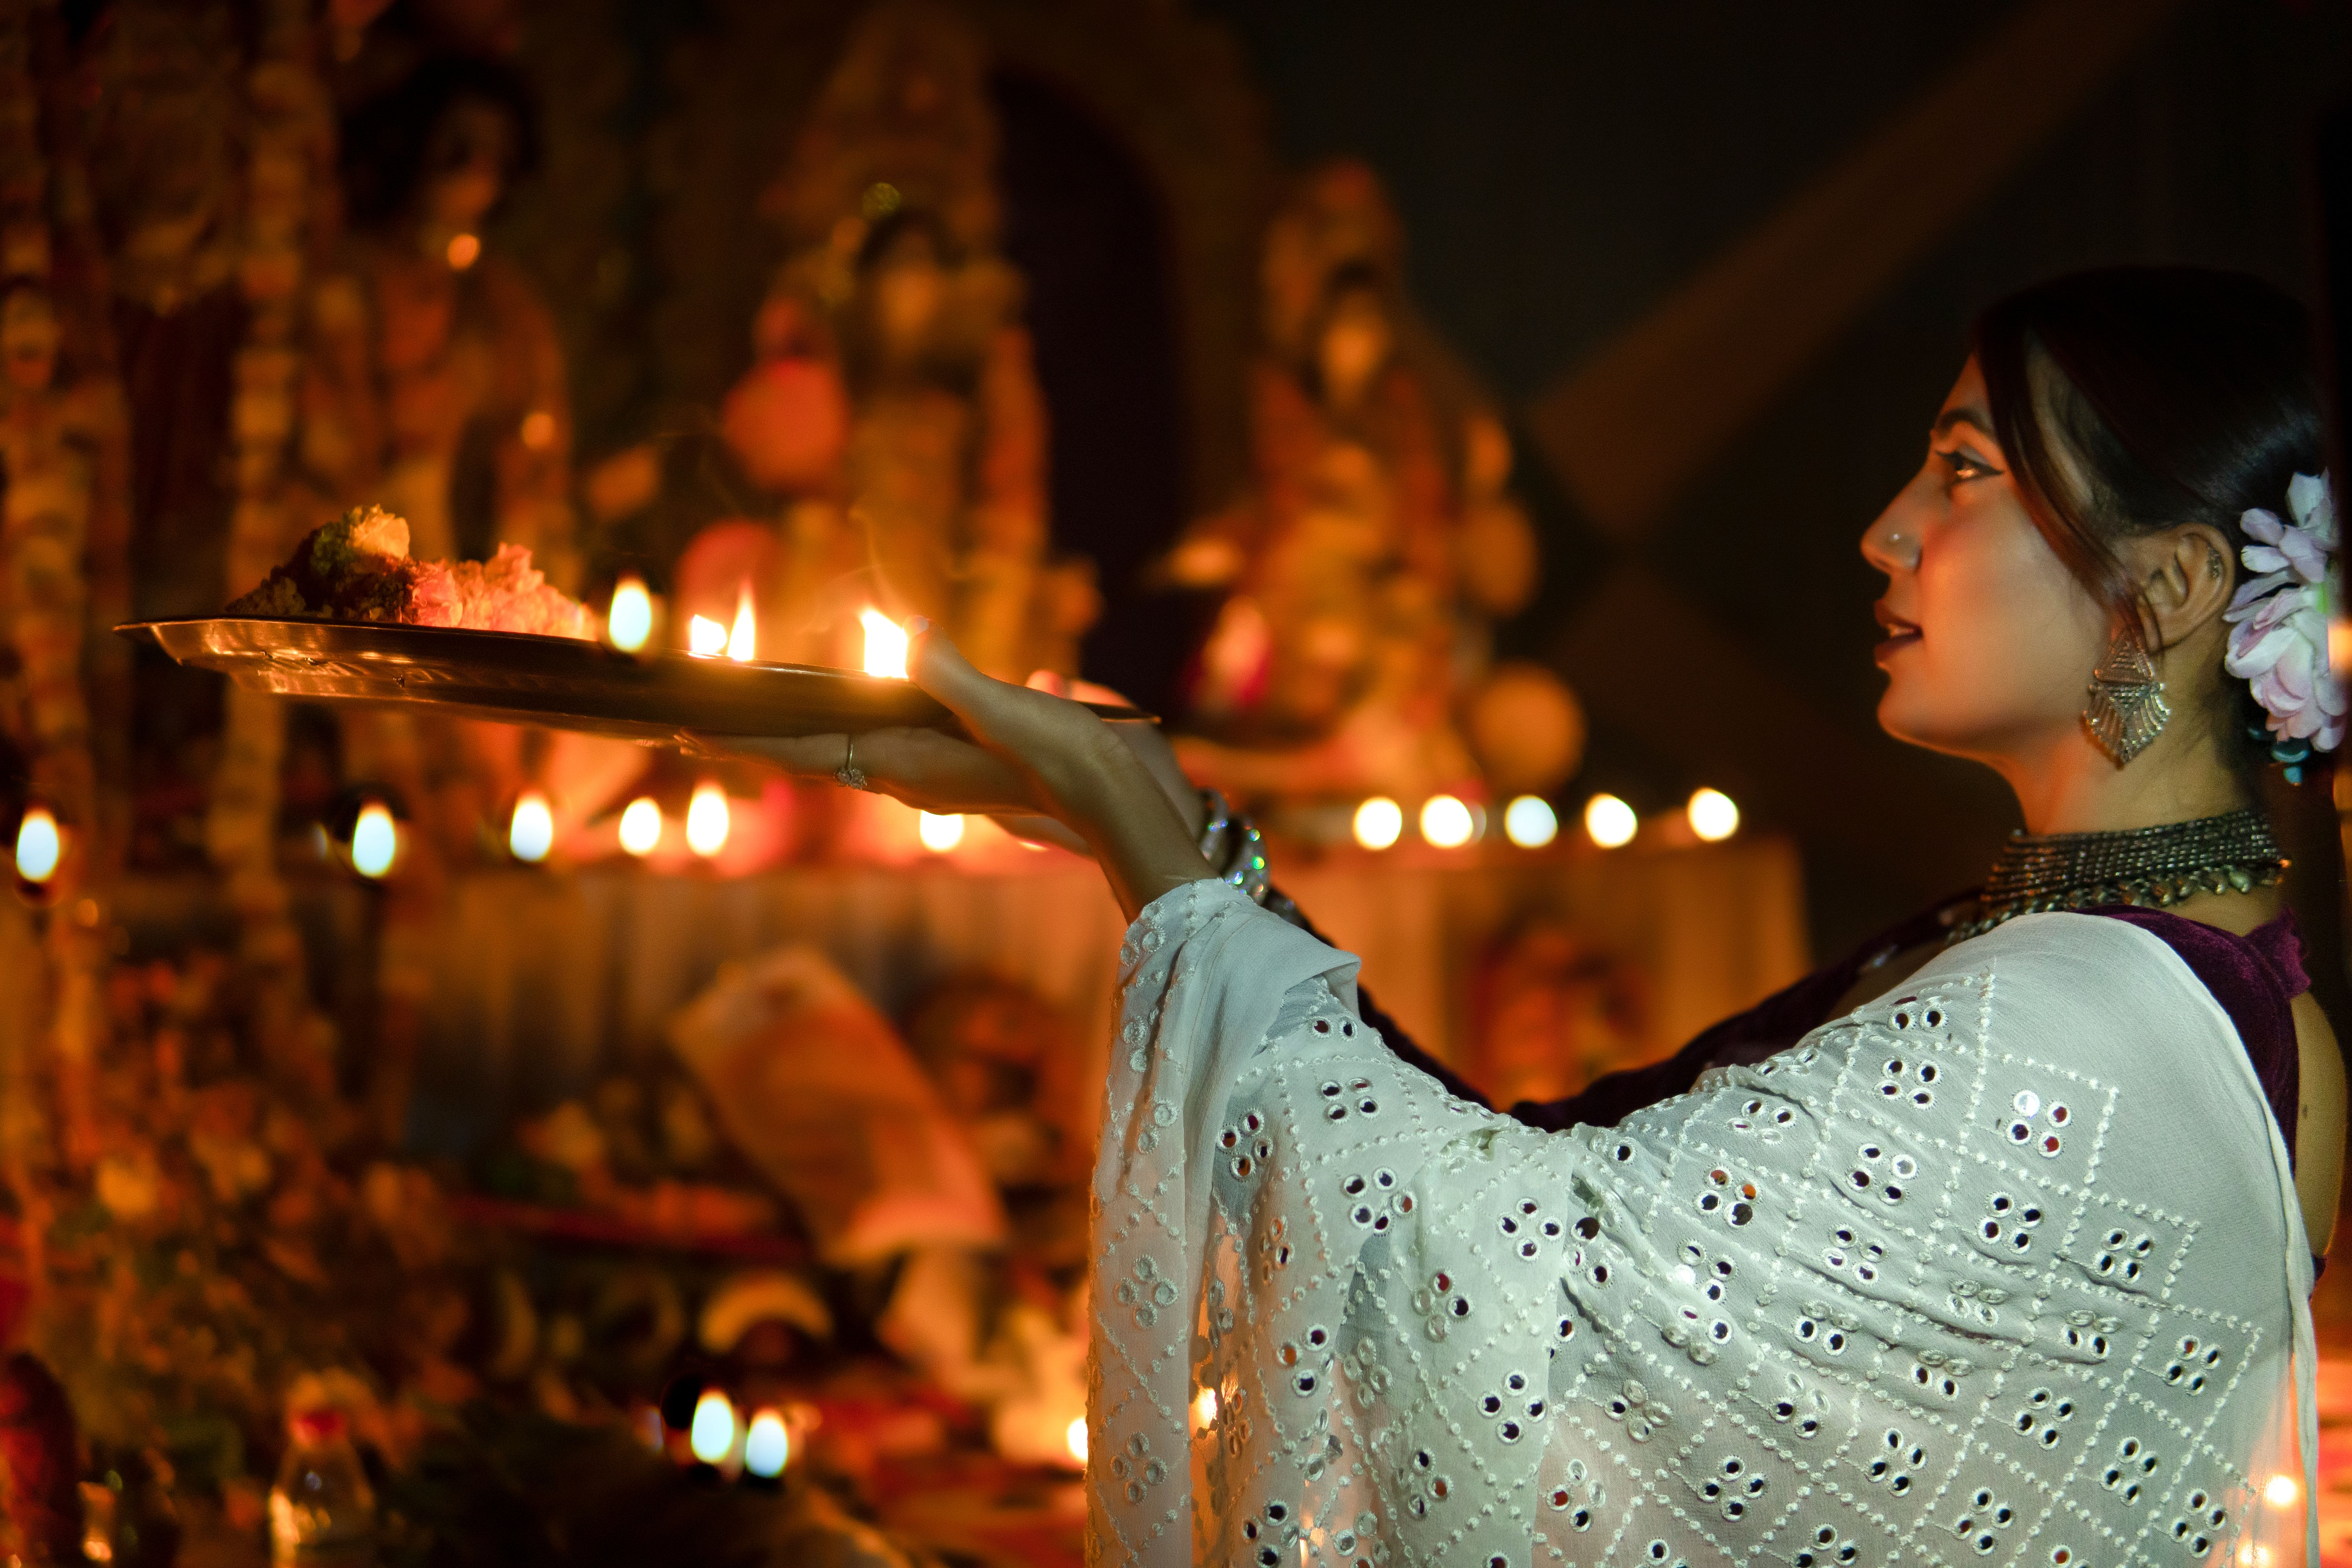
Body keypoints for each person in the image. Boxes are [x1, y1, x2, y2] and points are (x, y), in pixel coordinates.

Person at [709, 268, 2341, 1566]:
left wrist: (1174, 872)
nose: (1889, 527)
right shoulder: (2102, 968)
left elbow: (1517, 1294)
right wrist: (1148, 838)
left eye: (1967, 470)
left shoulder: (2089, 1024)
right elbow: (1558, 1200)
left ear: (2177, 589)